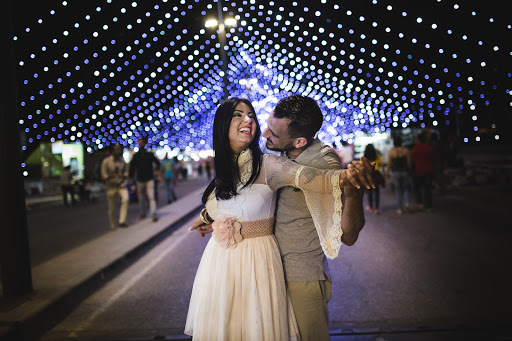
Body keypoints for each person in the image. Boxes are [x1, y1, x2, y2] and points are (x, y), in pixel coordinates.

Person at [188, 96, 373, 340]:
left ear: (299, 141)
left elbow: (347, 233)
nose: (263, 133)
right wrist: (212, 216)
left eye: (272, 132)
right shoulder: (268, 153)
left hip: (300, 273)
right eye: (264, 124)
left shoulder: (322, 162)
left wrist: (353, 187)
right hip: (263, 269)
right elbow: (243, 192)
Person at [129, 137, 161, 222]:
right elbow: (132, 167)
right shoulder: (136, 156)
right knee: (141, 197)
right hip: (140, 179)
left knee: (151, 196)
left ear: (144, 144)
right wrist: (131, 178)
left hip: (149, 178)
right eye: (138, 143)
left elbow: (158, 163)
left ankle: (153, 213)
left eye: (141, 143)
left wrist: (156, 172)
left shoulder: (149, 154)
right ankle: (143, 213)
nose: (139, 144)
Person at [101, 144, 129, 229]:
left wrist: (123, 176)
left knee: (126, 198)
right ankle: (113, 224)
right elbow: (104, 175)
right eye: (116, 149)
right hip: (111, 185)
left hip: (121, 185)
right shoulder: (106, 161)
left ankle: (122, 221)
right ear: (112, 151)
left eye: (119, 149)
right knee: (112, 207)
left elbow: (126, 172)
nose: (118, 151)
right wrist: (112, 176)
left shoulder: (122, 160)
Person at [387, 135, 412, 214]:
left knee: (398, 190)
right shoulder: (406, 150)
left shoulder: (392, 151)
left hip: (395, 172)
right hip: (404, 171)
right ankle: (407, 202)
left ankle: (399, 208)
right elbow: (409, 162)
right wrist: (409, 169)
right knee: (406, 188)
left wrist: (388, 172)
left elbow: (389, 163)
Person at [411, 132, 434, 212]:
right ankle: (429, 207)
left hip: (418, 172)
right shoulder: (429, 148)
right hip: (428, 171)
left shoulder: (415, 148)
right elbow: (432, 159)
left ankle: (420, 204)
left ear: (418, 139)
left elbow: (412, 160)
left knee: (417, 189)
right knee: (428, 190)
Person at [363, 143, 384, 214]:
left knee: (369, 191)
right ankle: (377, 208)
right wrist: (383, 173)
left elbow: (363, 167)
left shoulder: (364, 157)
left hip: (369, 174)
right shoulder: (376, 156)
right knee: (377, 191)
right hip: (376, 174)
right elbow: (381, 164)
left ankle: (371, 207)